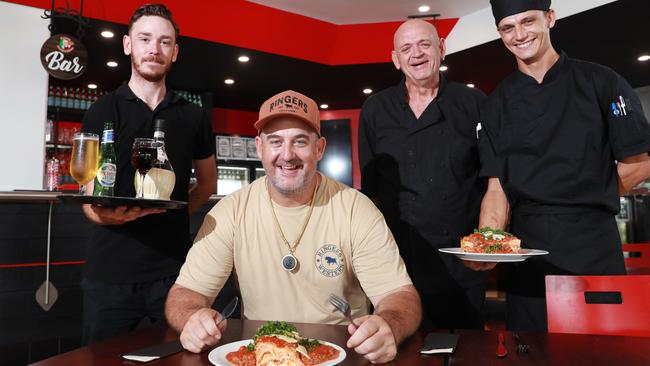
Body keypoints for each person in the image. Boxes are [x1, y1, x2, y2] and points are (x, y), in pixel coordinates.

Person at [165, 90, 421, 364]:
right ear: (259, 147)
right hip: (261, 355)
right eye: (275, 141)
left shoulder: (356, 209)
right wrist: (192, 319)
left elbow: (399, 296)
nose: (287, 155)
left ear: (319, 148)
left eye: (300, 141)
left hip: (343, 356)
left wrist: (388, 326)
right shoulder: (231, 211)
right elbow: (185, 294)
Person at [478, 0, 650, 331]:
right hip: (528, 252)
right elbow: (496, 188)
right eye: (508, 27)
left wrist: (582, 194)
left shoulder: (602, 82)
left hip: (592, 246)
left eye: (528, 21)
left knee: (602, 351)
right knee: (530, 351)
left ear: (550, 18)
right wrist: (488, 243)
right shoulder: (495, 104)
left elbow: (639, 165)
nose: (519, 34)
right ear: (500, 34)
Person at [80, 3, 216, 344]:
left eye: (164, 42)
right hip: (107, 274)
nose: (154, 49)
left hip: (174, 274)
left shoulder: (193, 116)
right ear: (128, 45)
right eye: (144, 39)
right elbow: (87, 193)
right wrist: (104, 218)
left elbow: (208, 183)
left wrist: (175, 212)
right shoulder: (101, 111)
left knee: (179, 357)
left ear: (175, 52)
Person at [358, 19, 491, 330]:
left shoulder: (473, 103)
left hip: (461, 261)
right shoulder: (376, 109)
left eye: (424, 44)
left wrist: (487, 245)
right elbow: (371, 194)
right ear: (396, 59)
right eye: (406, 48)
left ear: (441, 48)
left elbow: (492, 182)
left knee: (465, 349)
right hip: (397, 266)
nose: (415, 54)